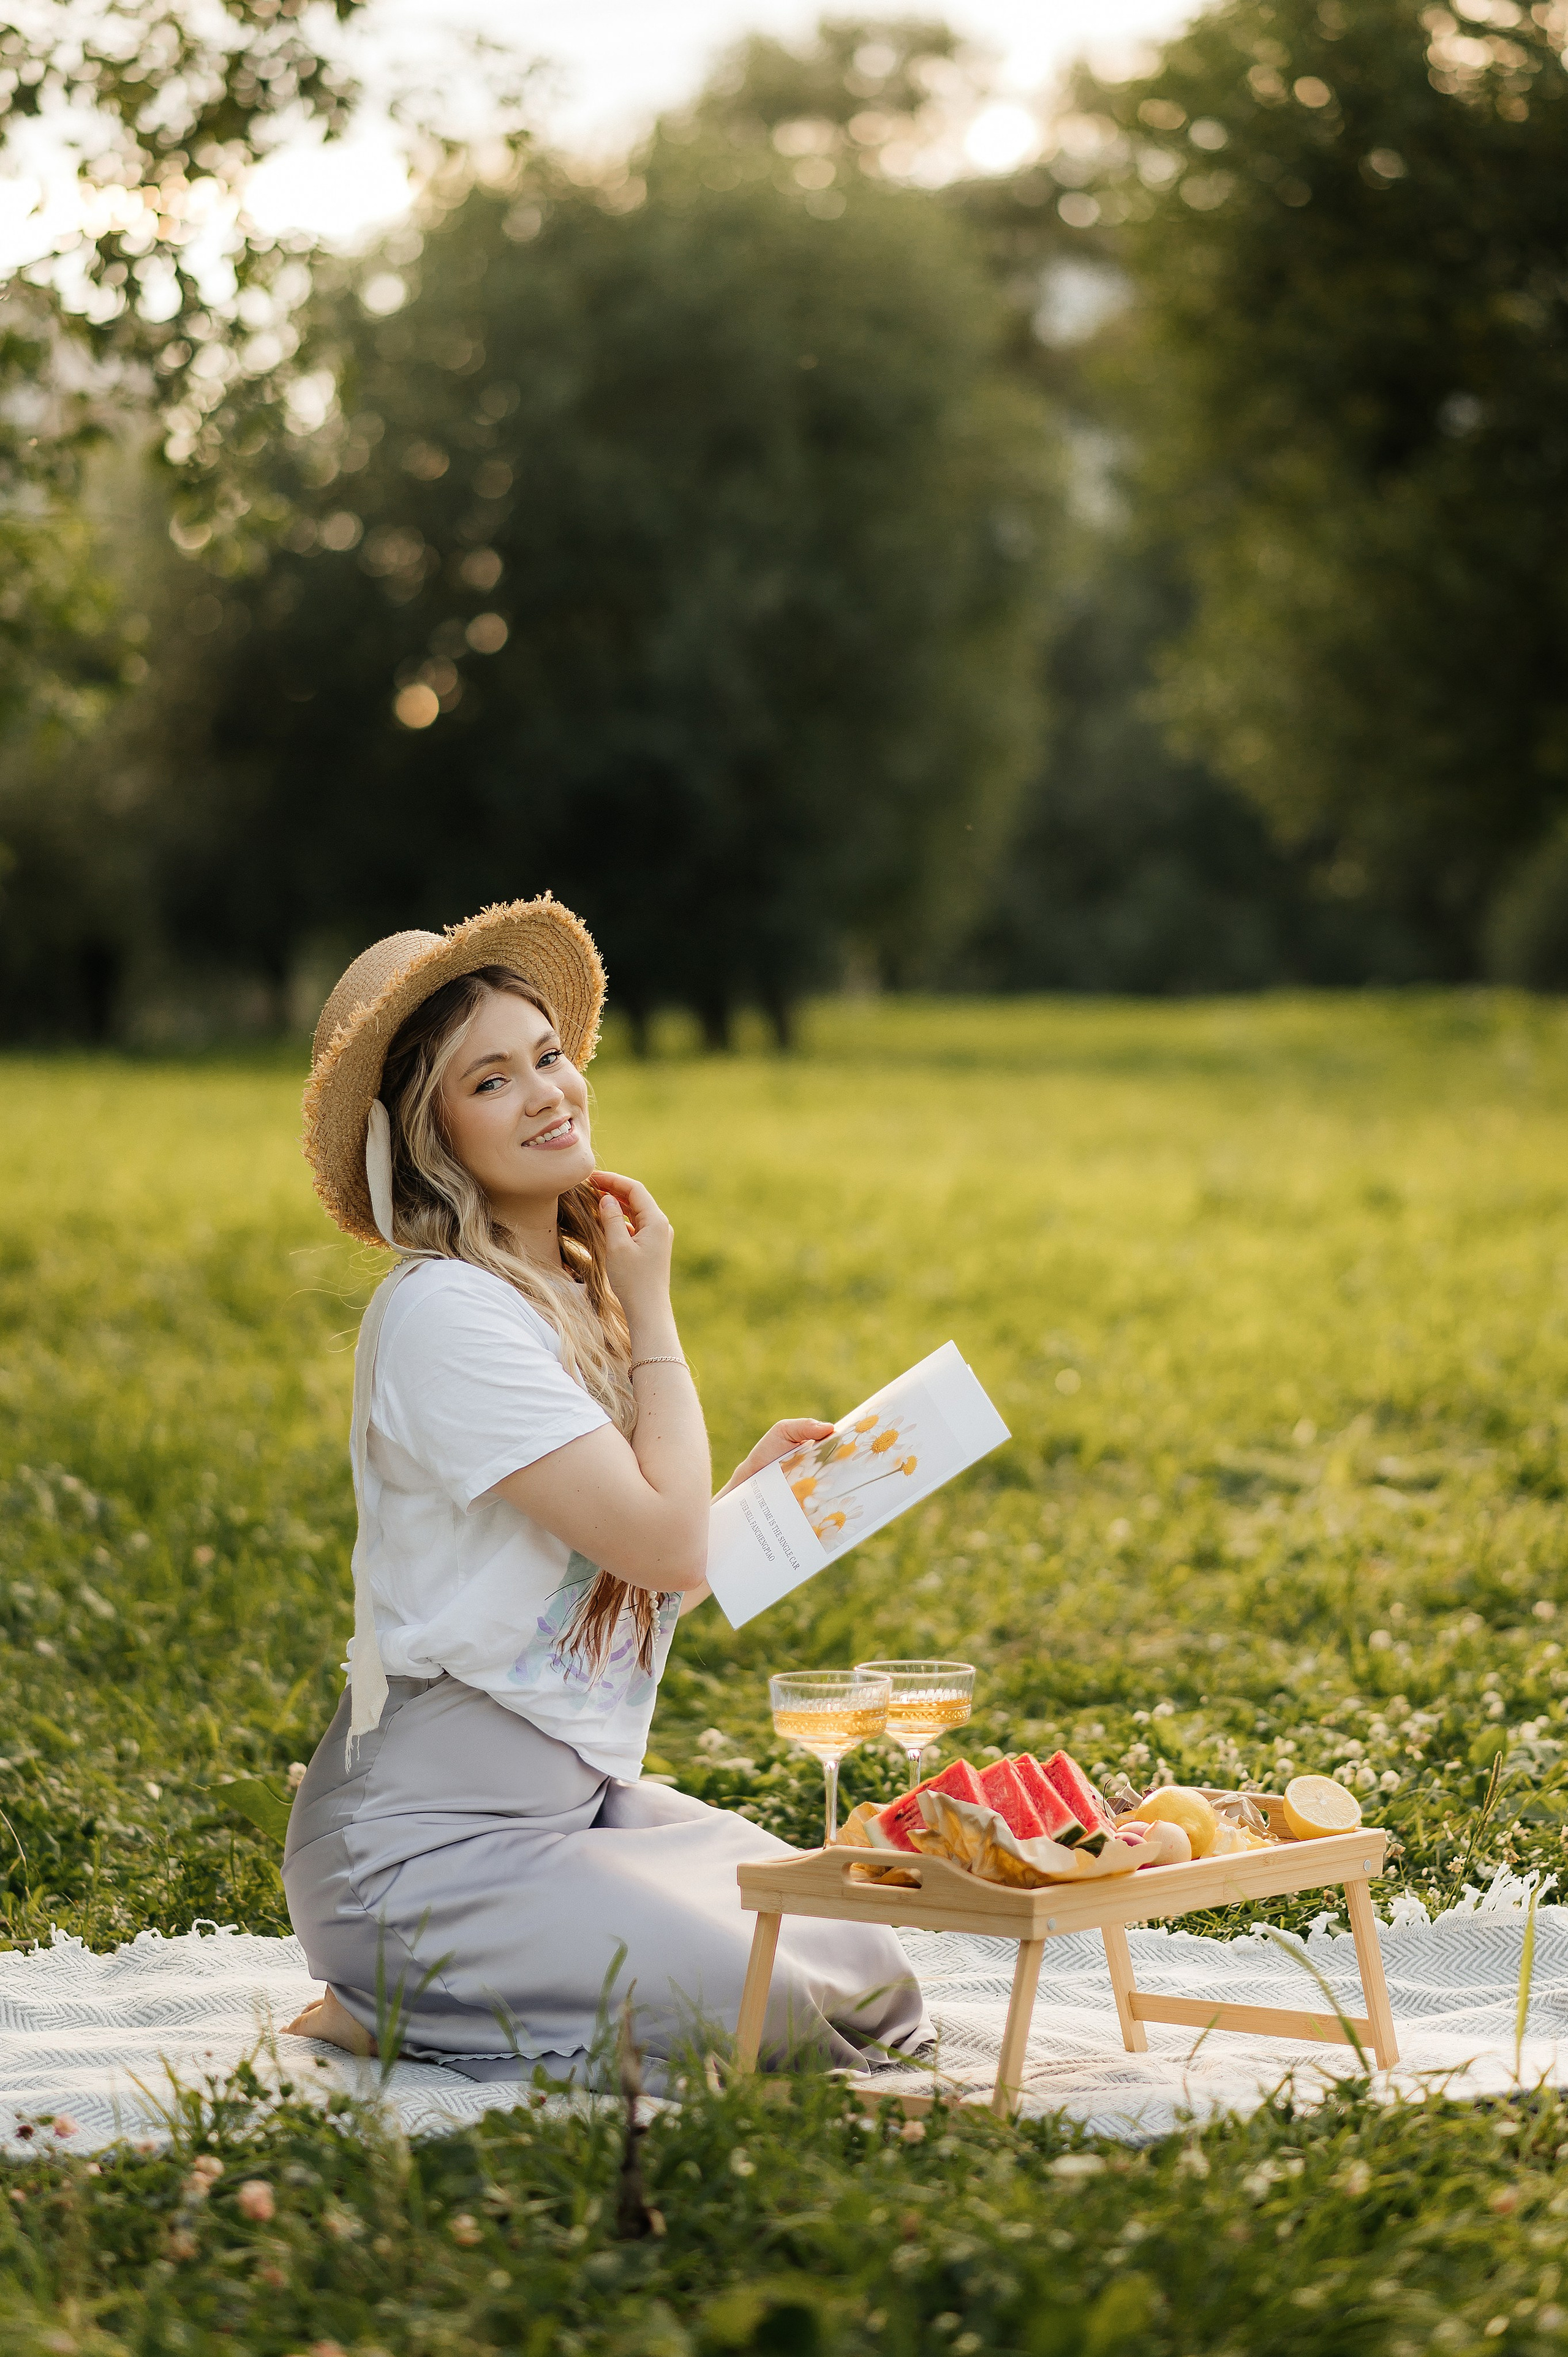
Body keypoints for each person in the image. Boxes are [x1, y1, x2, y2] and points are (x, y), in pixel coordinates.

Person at [281, 896, 924, 2084]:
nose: (545, 1092)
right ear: (428, 1136)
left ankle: (460, 1989)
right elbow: (663, 1548)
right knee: (766, 2016)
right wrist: (658, 1315)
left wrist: (742, 1506)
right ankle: (390, 1989)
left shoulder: (571, 1301)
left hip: (573, 1815)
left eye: (549, 1055)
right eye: (490, 1082)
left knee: (871, 1974)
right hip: (421, 1849)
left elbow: (615, 1576)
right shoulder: (441, 1315)